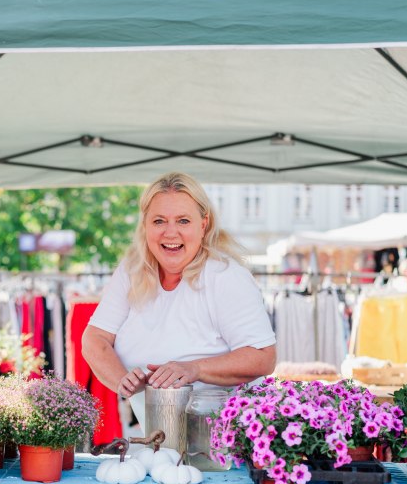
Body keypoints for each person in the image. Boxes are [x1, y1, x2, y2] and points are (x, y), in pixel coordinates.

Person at [81, 171, 276, 428]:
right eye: (159, 221)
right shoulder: (132, 271)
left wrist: (193, 369)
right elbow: (95, 339)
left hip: (221, 442)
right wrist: (123, 380)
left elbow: (263, 357)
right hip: (155, 435)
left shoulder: (225, 276)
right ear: (145, 225)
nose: (170, 233)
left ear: (203, 225)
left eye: (183, 221)